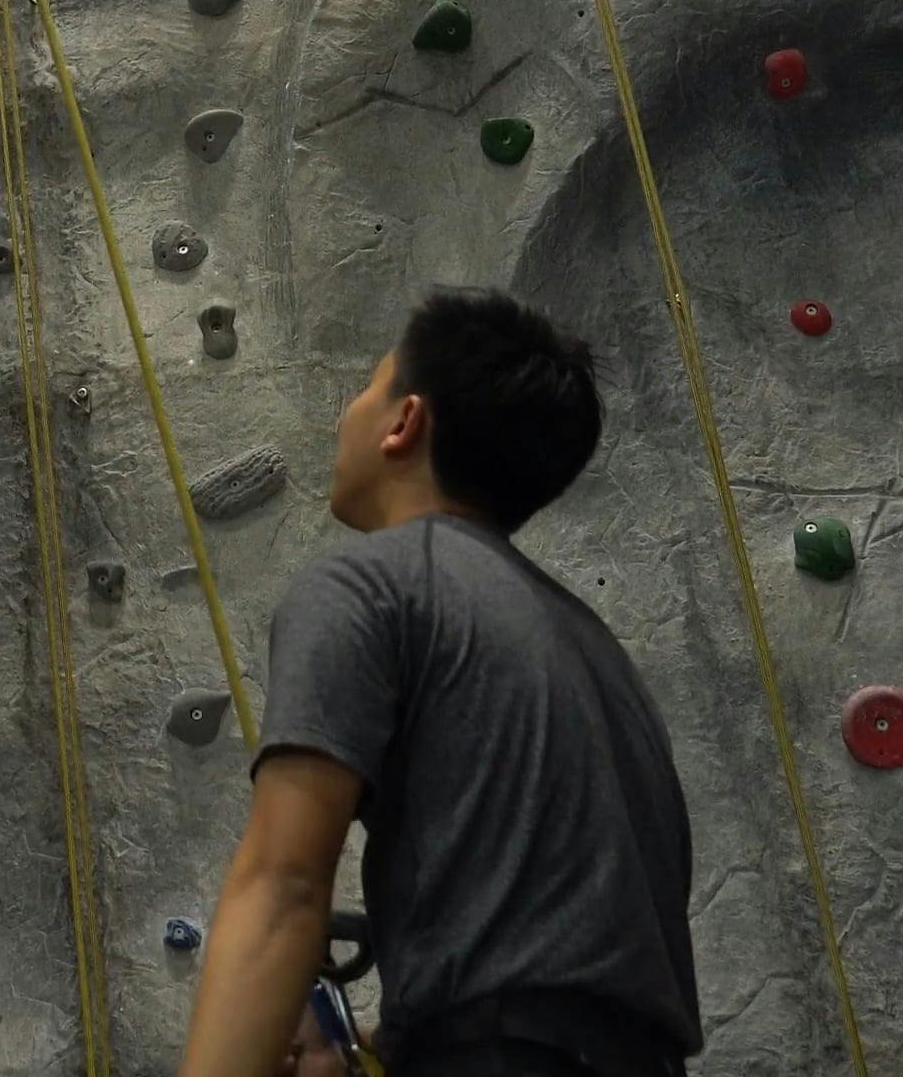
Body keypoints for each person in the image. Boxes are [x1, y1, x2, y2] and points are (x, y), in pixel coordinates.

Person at [175, 289, 703, 1077]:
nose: (347, 412)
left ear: (403, 422)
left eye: (368, 385)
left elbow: (282, 887)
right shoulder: (597, 653)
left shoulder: (368, 587)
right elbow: (561, 950)